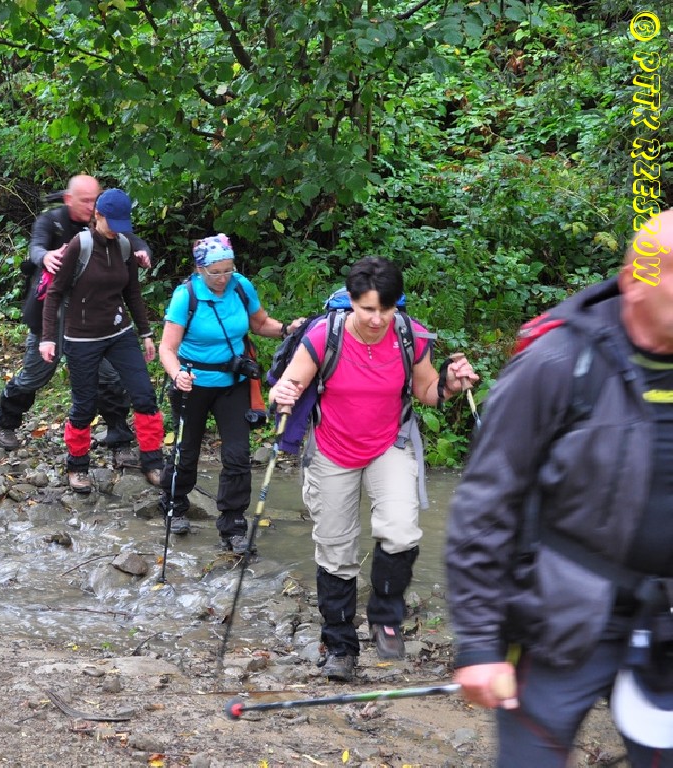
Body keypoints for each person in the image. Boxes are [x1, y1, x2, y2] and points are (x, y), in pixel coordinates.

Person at [447, 209, 673, 765]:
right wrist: (480, 644)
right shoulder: (559, 361)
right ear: (636, 281)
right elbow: (485, 503)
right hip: (559, 620)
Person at [269, 256, 476, 681]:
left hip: (389, 444)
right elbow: (286, 386)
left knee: (401, 531)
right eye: (368, 309)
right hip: (331, 449)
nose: (378, 319)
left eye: (386, 309)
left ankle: (385, 617)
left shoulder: (408, 335)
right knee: (336, 551)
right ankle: (340, 647)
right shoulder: (323, 336)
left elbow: (427, 390)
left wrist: (451, 385)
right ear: (351, 301)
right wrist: (282, 395)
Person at [0, 174, 152, 467]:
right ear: (69, 199)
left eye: (95, 200)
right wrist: (46, 257)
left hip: (94, 323)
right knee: (35, 375)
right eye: (85, 201)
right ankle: (6, 421)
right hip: (51, 316)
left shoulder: (105, 223)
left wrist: (142, 251)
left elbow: (132, 240)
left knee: (110, 378)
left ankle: (119, 440)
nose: (91, 206)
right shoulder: (52, 222)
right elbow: (36, 247)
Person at [157, 234, 300, 552]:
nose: (222, 278)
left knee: (237, 456)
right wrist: (177, 374)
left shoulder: (240, 286)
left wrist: (287, 329)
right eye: (215, 272)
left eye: (228, 270)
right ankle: (174, 505)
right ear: (199, 270)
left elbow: (260, 324)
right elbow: (167, 348)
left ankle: (233, 526)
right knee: (187, 451)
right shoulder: (185, 297)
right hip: (192, 383)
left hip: (233, 384)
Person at [39, 188, 164, 493]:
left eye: (122, 225)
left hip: (120, 333)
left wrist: (146, 334)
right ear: (98, 215)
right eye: (112, 223)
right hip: (81, 337)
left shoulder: (123, 245)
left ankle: (153, 461)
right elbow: (54, 294)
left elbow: (132, 293)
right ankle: (77, 466)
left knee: (144, 395)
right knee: (84, 405)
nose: (116, 231)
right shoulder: (79, 246)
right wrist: (47, 338)